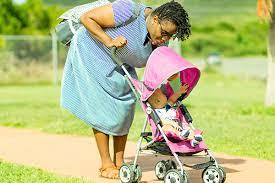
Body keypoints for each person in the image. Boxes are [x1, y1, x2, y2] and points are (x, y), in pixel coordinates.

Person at [60, 0, 191, 179]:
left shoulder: (160, 43)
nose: (164, 39)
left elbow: (156, 67)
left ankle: (120, 162)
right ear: (156, 19)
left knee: (126, 104)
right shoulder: (128, 10)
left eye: (170, 36)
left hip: (119, 60)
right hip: (91, 51)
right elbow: (87, 18)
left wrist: (171, 77)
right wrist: (109, 40)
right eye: (164, 33)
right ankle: (106, 164)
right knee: (101, 105)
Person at [147, 73, 203, 146]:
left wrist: (180, 91)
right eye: (163, 95)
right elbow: (162, 121)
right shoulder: (157, 112)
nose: (166, 96)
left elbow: (172, 99)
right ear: (158, 101)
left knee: (189, 129)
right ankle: (181, 135)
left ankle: (193, 140)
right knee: (166, 127)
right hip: (169, 128)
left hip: (180, 126)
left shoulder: (167, 107)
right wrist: (172, 123)